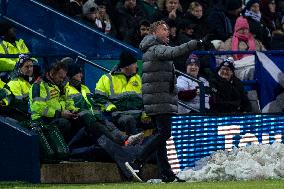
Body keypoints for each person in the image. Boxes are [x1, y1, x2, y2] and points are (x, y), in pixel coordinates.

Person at [124, 20, 203, 182]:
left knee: (160, 138)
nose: (168, 32)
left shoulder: (152, 48)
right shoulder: (156, 48)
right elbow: (175, 52)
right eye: (164, 29)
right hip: (159, 100)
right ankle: (137, 161)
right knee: (164, 133)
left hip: (157, 99)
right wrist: (194, 43)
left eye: (168, 29)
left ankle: (167, 175)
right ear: (154, 32)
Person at [95, 51, 148, 136]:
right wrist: (113, 110)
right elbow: (99, 98)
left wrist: (145, 113)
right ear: (127, 66)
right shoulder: (107, 78)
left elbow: (146, 98)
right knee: (129, 120)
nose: (137, 66)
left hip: (139, 116)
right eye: (134, 64)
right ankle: (134, 146)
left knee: (158, 121)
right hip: (118, 116)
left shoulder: (138, 78)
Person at [5, 54, 35, 122]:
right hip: (19, 117)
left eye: (31, 66)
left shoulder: (30, 83)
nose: (30, 69)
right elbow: (16, 103)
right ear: (19, 68)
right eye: (26, 67)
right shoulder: (14, 82)